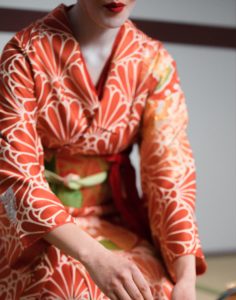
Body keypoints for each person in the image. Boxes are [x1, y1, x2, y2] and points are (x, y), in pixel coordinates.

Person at [0, 1, 206, 299]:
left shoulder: (153, 62)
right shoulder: (24, 54)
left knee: (156, 289)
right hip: (37, 228)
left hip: (113, 219)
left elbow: (170, 175)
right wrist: (94, 257)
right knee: (67, 286)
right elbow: (13, 176)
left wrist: (185, 279)